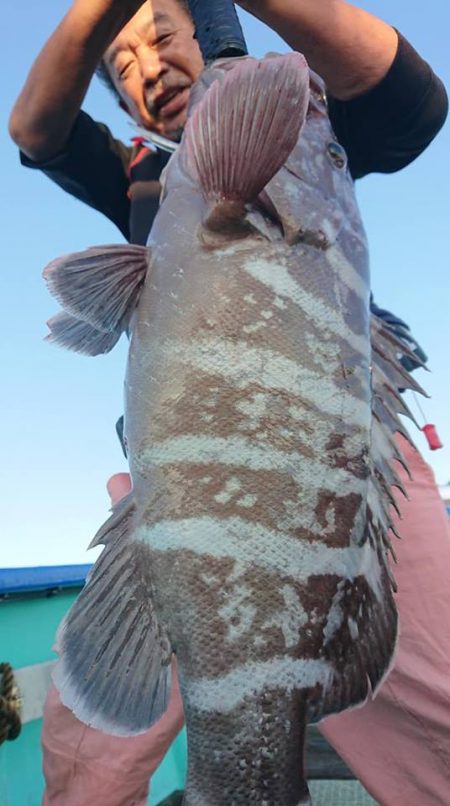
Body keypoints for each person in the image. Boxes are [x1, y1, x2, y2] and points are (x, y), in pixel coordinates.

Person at [9, 1, 449, 804]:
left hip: (342, 467)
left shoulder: (313, 131)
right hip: (170, 495)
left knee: (435, 710)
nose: (147, 66)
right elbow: (35, 130)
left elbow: (416, 102)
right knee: (87, 755)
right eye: (123, 63)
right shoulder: (141, 172)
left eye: (163, 36)